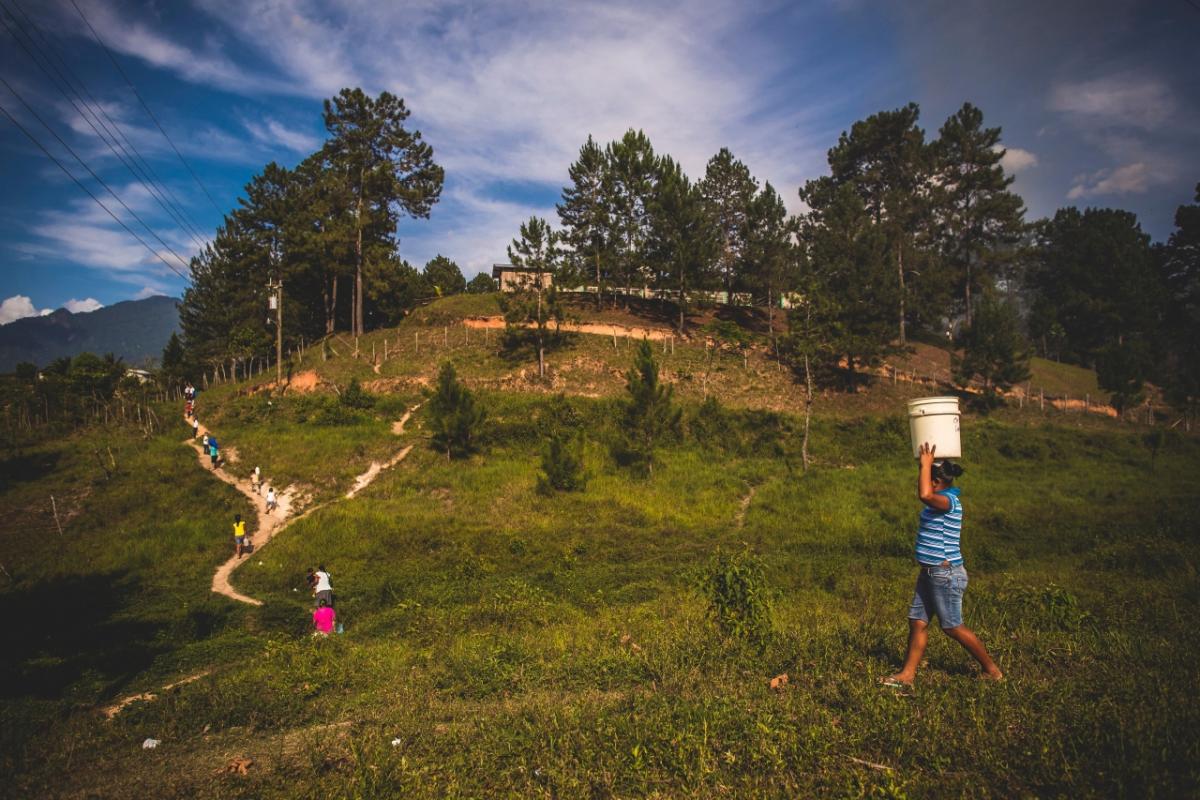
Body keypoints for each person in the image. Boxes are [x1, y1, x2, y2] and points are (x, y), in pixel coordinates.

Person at [882, 442, 1003, 689]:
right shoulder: (940, 500)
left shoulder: (948, 502)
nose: (922, 479)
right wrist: (925, 465)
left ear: (936, 481)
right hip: (929, 573)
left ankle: (992, 670)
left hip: (945, 574)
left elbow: (924, 494)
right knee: (917, 621)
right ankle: (907, 674)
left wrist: (926, 464)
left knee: (952, 627)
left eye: (925, 475)